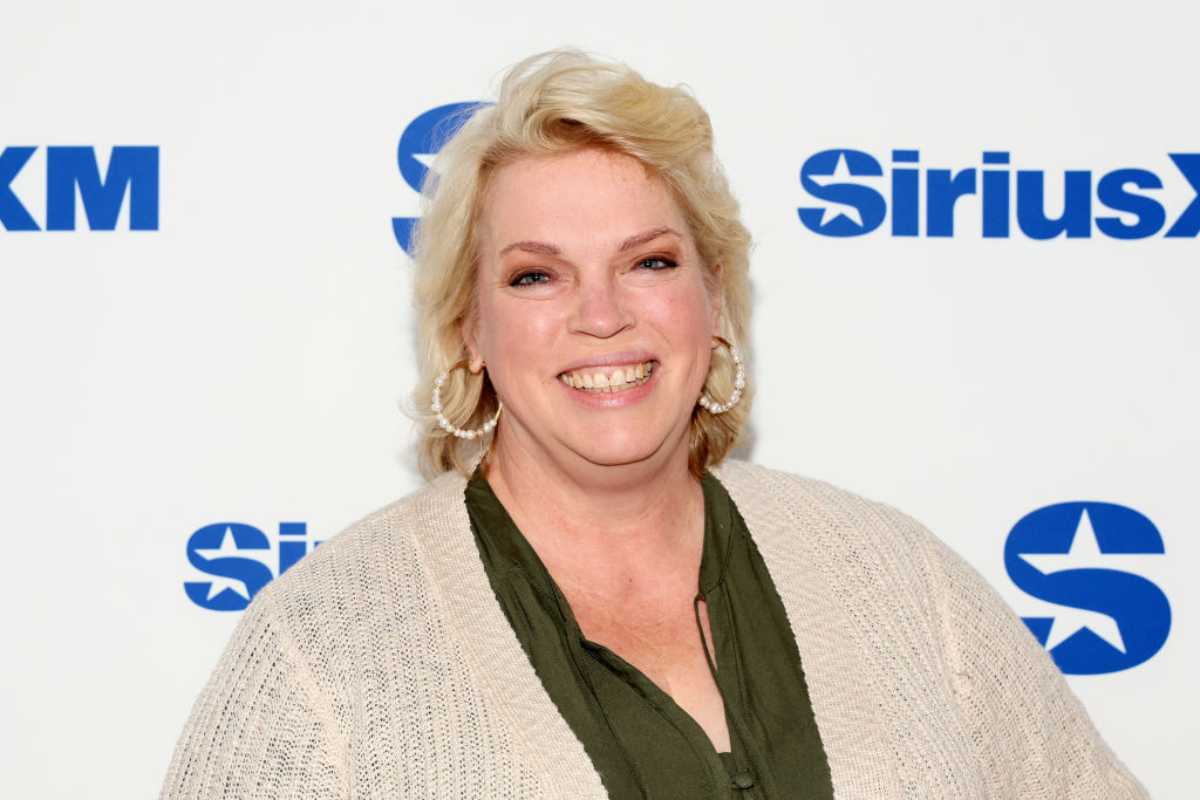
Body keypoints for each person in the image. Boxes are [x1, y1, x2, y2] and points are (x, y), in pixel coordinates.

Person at [161, 50, 1147, 799]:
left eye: (650, 262)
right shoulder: (324, 653)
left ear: (714, 297)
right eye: (536, 275)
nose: (602, 315)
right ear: (467, 328)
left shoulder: (899, 580)